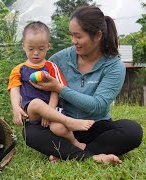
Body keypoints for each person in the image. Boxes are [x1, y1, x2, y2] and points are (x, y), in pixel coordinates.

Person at [16, 6, 143, 164]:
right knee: (30, 133)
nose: (73, 41)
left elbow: (98, 106)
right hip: (62, 126)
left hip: (94, 126)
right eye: (71, 35)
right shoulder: (61, 59)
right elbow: (34, 78)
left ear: (97, 36)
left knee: (132, 131)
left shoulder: (114, 66)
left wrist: (59, 88)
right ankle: (88, 155)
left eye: (78, 36)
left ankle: (69, 153)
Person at [8, 21, 95, 150]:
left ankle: (75, 144)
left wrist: (49, 110)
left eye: (41, 49)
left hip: (52, 108)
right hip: (31, 111)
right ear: (24, 46)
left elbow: (56, 90)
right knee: (36, 103)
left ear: (48, 46)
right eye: (31, 49)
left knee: (58, 128)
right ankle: (70, 122)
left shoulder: (51, 67)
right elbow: (14, 90)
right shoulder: (19, 69)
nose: (36, 53)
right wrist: (16, 108)